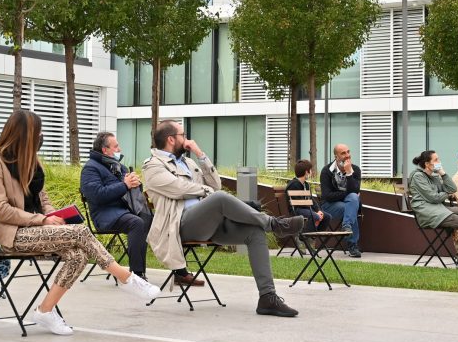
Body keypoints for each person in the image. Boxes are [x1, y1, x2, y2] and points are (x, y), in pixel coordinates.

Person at [0, 110, 160, 336]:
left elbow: (43, 200)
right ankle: (127, 279)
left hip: (38, 229)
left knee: (78, 255)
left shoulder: (33, 162)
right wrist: (43, 220)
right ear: (24, 134)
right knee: (80, 232)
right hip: (14, 235)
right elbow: (0, 209)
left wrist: (52, 217)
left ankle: (45, 311)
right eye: (38, 132)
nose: (41, 137)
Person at [144, 120, 304, 317]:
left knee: (255, 232)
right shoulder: (153, 166)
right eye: (183, 135)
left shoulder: (189, 163)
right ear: (171, 139)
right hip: (180, 225)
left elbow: (216, 184)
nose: (186, 139)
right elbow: (179, 189)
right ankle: (274, 224)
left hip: (211, 223)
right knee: (219, 198)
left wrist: (200, 155)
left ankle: (267, 298)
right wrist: (208, 192)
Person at [80, 131, 152, 280]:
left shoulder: (119, 167)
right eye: (116, 146)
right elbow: (97, 195)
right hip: (105, 215)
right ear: (105, 150)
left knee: (148, 218)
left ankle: (171, 270)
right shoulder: (90, 168)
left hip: (123, 211)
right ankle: (137, 275)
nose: (119, 149)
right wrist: (124, 185)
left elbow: (130, 191)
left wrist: (135, 184)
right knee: (136, 223)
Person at [319, 144, 362, 257]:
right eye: (343, 153)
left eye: (348, 152)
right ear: (336, 157)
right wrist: (347, 194)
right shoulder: (327, 171)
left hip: (348, 203)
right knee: (351, 206)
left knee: (353, 199)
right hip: (329, 205)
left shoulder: (355, 170)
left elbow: (355, 191)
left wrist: (349, 173)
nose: (347, 155)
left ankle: (346, 226)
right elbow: (328, 196)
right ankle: (352, 245)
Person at [286, 159, 331, 233]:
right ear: (306, 172)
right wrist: (314, 213)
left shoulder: (306, 185)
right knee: (314, 216)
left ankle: (316, 235)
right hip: (296, 210)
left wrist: (318, 210)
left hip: (306, 209)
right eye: (310, 170)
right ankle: (306, 236)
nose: (311, 172)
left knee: (327, 217)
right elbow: (298, 204)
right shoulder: (293, 185)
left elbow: (311, 200)